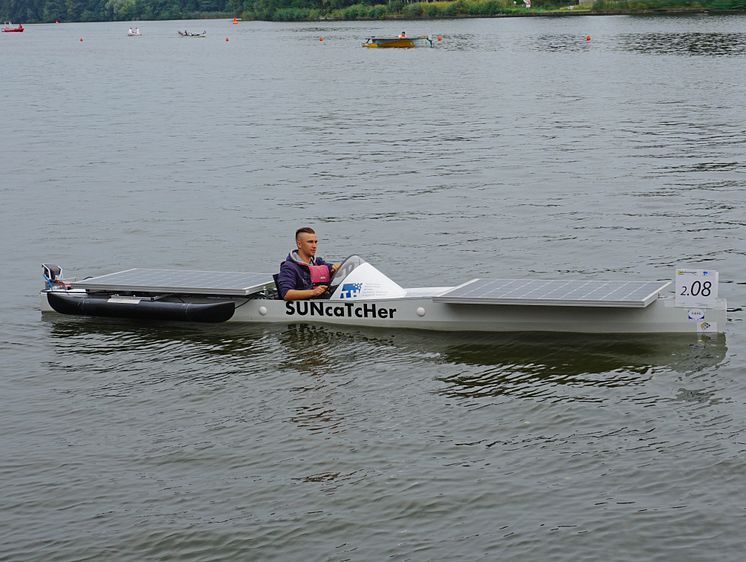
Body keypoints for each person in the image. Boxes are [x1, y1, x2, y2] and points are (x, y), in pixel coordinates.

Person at [277, 227, 340, 301]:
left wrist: (336, 267)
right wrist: (313, 292)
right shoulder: (289, 267)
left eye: (315, 242)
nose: (314, 246)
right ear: (299, 244)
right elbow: (286, 294)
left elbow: (332, 268)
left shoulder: (318, 262)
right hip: (303, 307)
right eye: (310, 242)